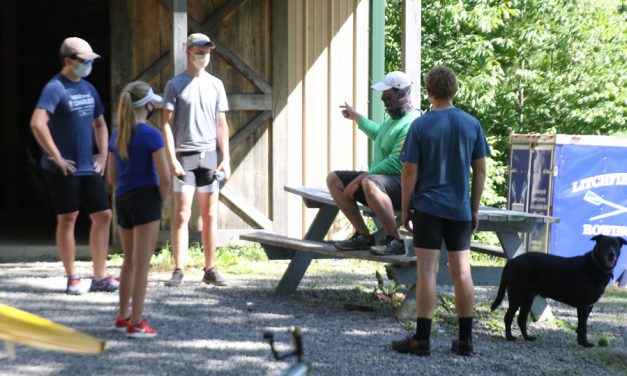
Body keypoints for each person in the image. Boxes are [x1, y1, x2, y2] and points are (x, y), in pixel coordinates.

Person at [392, 66, 490, 356]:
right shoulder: (471, 124)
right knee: (462, 272)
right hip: (459, 209)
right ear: (454, 90)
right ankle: (466, 340)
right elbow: (480, 170)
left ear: (429, 90)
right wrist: (473, 207)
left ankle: (422, 339)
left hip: (428, 208)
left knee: (427, 272)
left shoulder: (420, 126)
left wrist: (405, 207)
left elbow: (409, 171)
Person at [30, 37, 118, 295]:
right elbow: (37, 123)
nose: (89, 65)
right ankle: (73, 277)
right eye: (85, 61)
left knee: (103, 215)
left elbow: (100, 124)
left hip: (87, 165)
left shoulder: (89, 89)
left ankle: (100, 276)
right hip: (63, 168)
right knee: (68, 218)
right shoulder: (54, 88)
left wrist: (103, 154)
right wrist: (55, 156)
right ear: (68, 61)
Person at [162, 33, 231, 287]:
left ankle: (210, 268)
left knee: (209, 215)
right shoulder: (175, 84)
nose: (204, 56)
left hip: (209, 158)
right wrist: (172, 159)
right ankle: (179, 269)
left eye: (207, 52)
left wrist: (227, 159)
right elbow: (166, 125)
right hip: (184, 157)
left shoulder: (216, 85)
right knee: (181, 214)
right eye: (199, 52)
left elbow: (221, 124)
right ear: (188, 51)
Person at [327, 71, 421, 255]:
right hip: (380, 184)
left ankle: (395, 240)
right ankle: (363, 236)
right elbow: (380, 134)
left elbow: (397, 163)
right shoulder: (393, 119)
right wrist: (356, 117)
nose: (383, 99)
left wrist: (361, 178)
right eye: (383, 95)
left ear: (401, 93)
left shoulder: (411, 123)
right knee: (334, 179)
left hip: (405, 188)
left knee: (368, 182)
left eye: (388, 95)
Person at [107, 81, 170, 338]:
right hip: (146, 199)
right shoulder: (152, 136)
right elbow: (165, 178)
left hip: (123, 198)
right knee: (142, 264)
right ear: (147, 105)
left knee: (129, 261)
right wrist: (161, 200)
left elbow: (111, 178)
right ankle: (137, 322)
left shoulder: (117, 134)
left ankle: (122, 316)